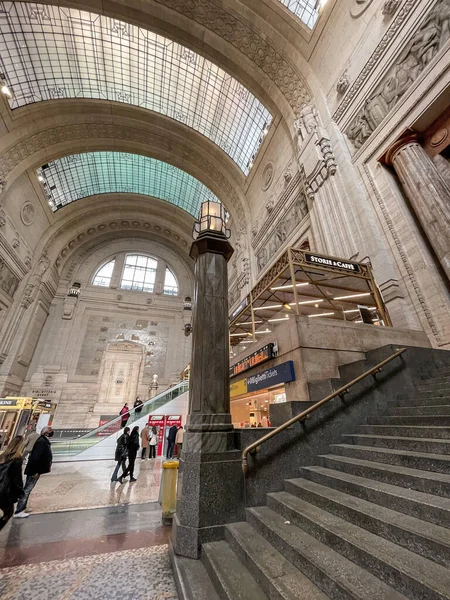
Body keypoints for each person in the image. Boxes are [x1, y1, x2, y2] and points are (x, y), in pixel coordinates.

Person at [15, 426, 53, 518]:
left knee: (28, 489)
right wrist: (36, 471)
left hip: (35, 470)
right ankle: (18, 511)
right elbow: (35, 458)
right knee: (27, 489)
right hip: (34, 470)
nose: (52, 432)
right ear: (46, 433)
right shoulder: (41, 442)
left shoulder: (42, 441)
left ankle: (23, 507)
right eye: (50, 431)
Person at [0, 436, 25, 530]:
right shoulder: (17, 459)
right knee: (8, 513)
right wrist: (21, 493)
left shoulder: (2, 456)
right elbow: (17, 479)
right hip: (4, 492)